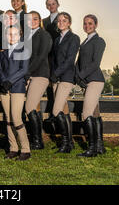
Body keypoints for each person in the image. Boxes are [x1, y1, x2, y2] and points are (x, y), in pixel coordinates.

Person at [75, 14, 106, 157]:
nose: (87, 26)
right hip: (88, 80)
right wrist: (77, 76)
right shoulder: (84, 42)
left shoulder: (99, 41)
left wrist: (81, 75)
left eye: (90, 23)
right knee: (95, 113)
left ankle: (92, 148)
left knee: (86, 113)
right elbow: (80, 62)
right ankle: (100, 146)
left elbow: (95, 63)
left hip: (95, 80)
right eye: (85, 23)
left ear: (96, 24)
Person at [0, 25, 31, 161]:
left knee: (16, 118)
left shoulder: (24, 50)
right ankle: (13, 148)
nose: (12, 37)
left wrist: (9, 81)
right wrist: (3, 82)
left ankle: (25, 149)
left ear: (20, 35)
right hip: (4, 88)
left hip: (17, 87)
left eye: (15, 34)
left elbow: (23, 70)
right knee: (8, 118)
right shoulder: (3, 52)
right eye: (9, 34)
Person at [50, 12, 80, 153]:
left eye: (64, 20)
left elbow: (70, 60)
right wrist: (53, 75)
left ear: (69, 23)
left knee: (56, 111)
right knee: (63, 109)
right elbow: (55, 60)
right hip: (56, 79)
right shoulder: (57, 40)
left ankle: (65, 143)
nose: (61, 22)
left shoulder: (74, 38)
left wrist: (55, 74)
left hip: (66, 77)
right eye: (59, 20)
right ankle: (70, 143)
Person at [24, 11, 52, 150]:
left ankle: (37, 141)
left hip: (40, 75)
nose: (32, 21)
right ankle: (33, 138)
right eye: (30, 19)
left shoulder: (44, 35)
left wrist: (27, 72)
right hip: (28, 75)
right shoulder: (26, 36)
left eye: (35, 19)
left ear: (40, 20)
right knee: (30, 107)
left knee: (29, 107)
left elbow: (41, 56)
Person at [42, 0, 61, 124]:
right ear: (46, 6)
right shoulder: (44, 21)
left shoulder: (63, 18)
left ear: (58, 4)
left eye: (53, 4)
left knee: (58, 85)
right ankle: (51, 114)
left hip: (59, 54)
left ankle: (59, 113)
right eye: (49, 4)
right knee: (49, 85)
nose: (51, 6)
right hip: (48, 55)